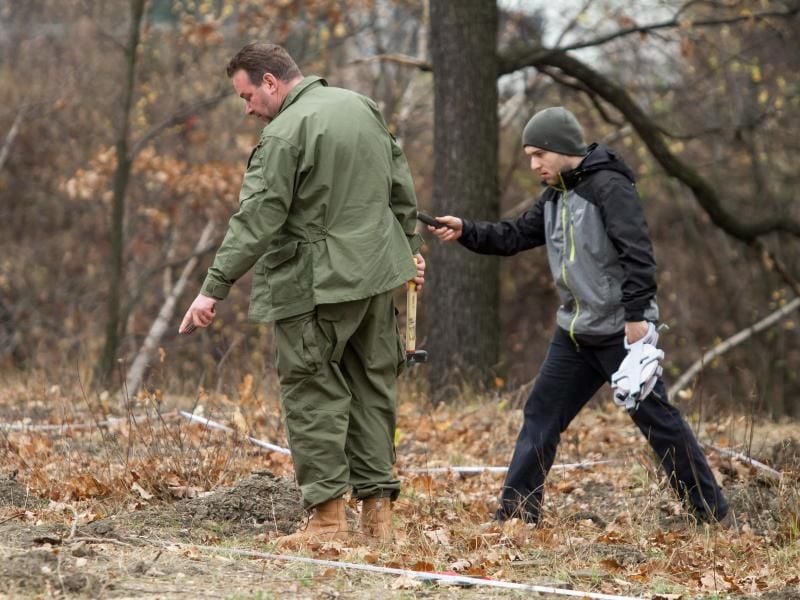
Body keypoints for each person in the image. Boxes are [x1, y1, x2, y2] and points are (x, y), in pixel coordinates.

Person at [428, 106, 729, 526]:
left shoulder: (609, 187)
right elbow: (514, 235)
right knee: (540, 416)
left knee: (659, 422)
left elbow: (638, 254)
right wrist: (466, 229)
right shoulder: (556, 194)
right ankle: (517, 515)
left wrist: (637, 316)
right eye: (529, 156)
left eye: (539, 155)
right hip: (573, 333)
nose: (534, 165)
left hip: (619, 333)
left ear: (561, 148)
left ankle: (713, 516)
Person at [179, 42, 425, 548]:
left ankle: (328, 521)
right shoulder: (361, 106)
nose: (247, 108)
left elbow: (257, 218)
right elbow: (400, 186)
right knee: (374, 389)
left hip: (316, 287)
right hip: (379, 277)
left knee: (312, 393)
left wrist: (212, 289)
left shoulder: (284, 133)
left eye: (247, 95)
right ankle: (379, 521)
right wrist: (410, 251)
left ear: (271, 82)